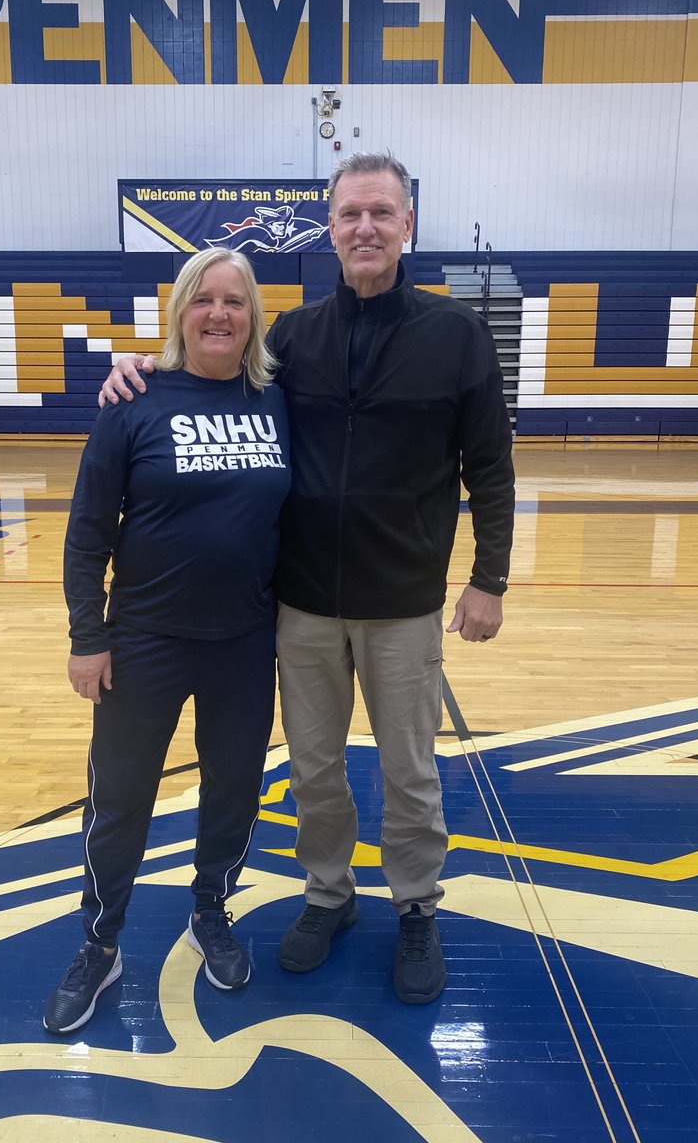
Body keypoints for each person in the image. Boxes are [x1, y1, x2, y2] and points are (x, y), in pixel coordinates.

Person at [100, 153, 515, 1005]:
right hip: (302, 608)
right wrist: (135, 368)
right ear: (329, 230)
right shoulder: (292, 336)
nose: (365, 228)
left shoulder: (457, 334)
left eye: (381, 213)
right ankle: (329, 894)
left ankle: (415, 909)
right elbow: (214, 375)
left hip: (402, 606)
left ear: (407, 226)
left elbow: (493, 467)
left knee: (409, 771)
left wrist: (490, 578)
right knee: (316, 769)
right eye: (349, 214)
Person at [43, 248, 291, 1034]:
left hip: (246, 643)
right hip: (143, 641)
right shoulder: (134, 401)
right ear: (181, 311)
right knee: (119, 803)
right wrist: (89, 637)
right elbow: (87, 533)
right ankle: (99, 942)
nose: (219, 313)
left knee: (234, 790)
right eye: (204, 300)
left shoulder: (278, 401)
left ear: (252, 316)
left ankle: (210, 910)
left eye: (235, 301)